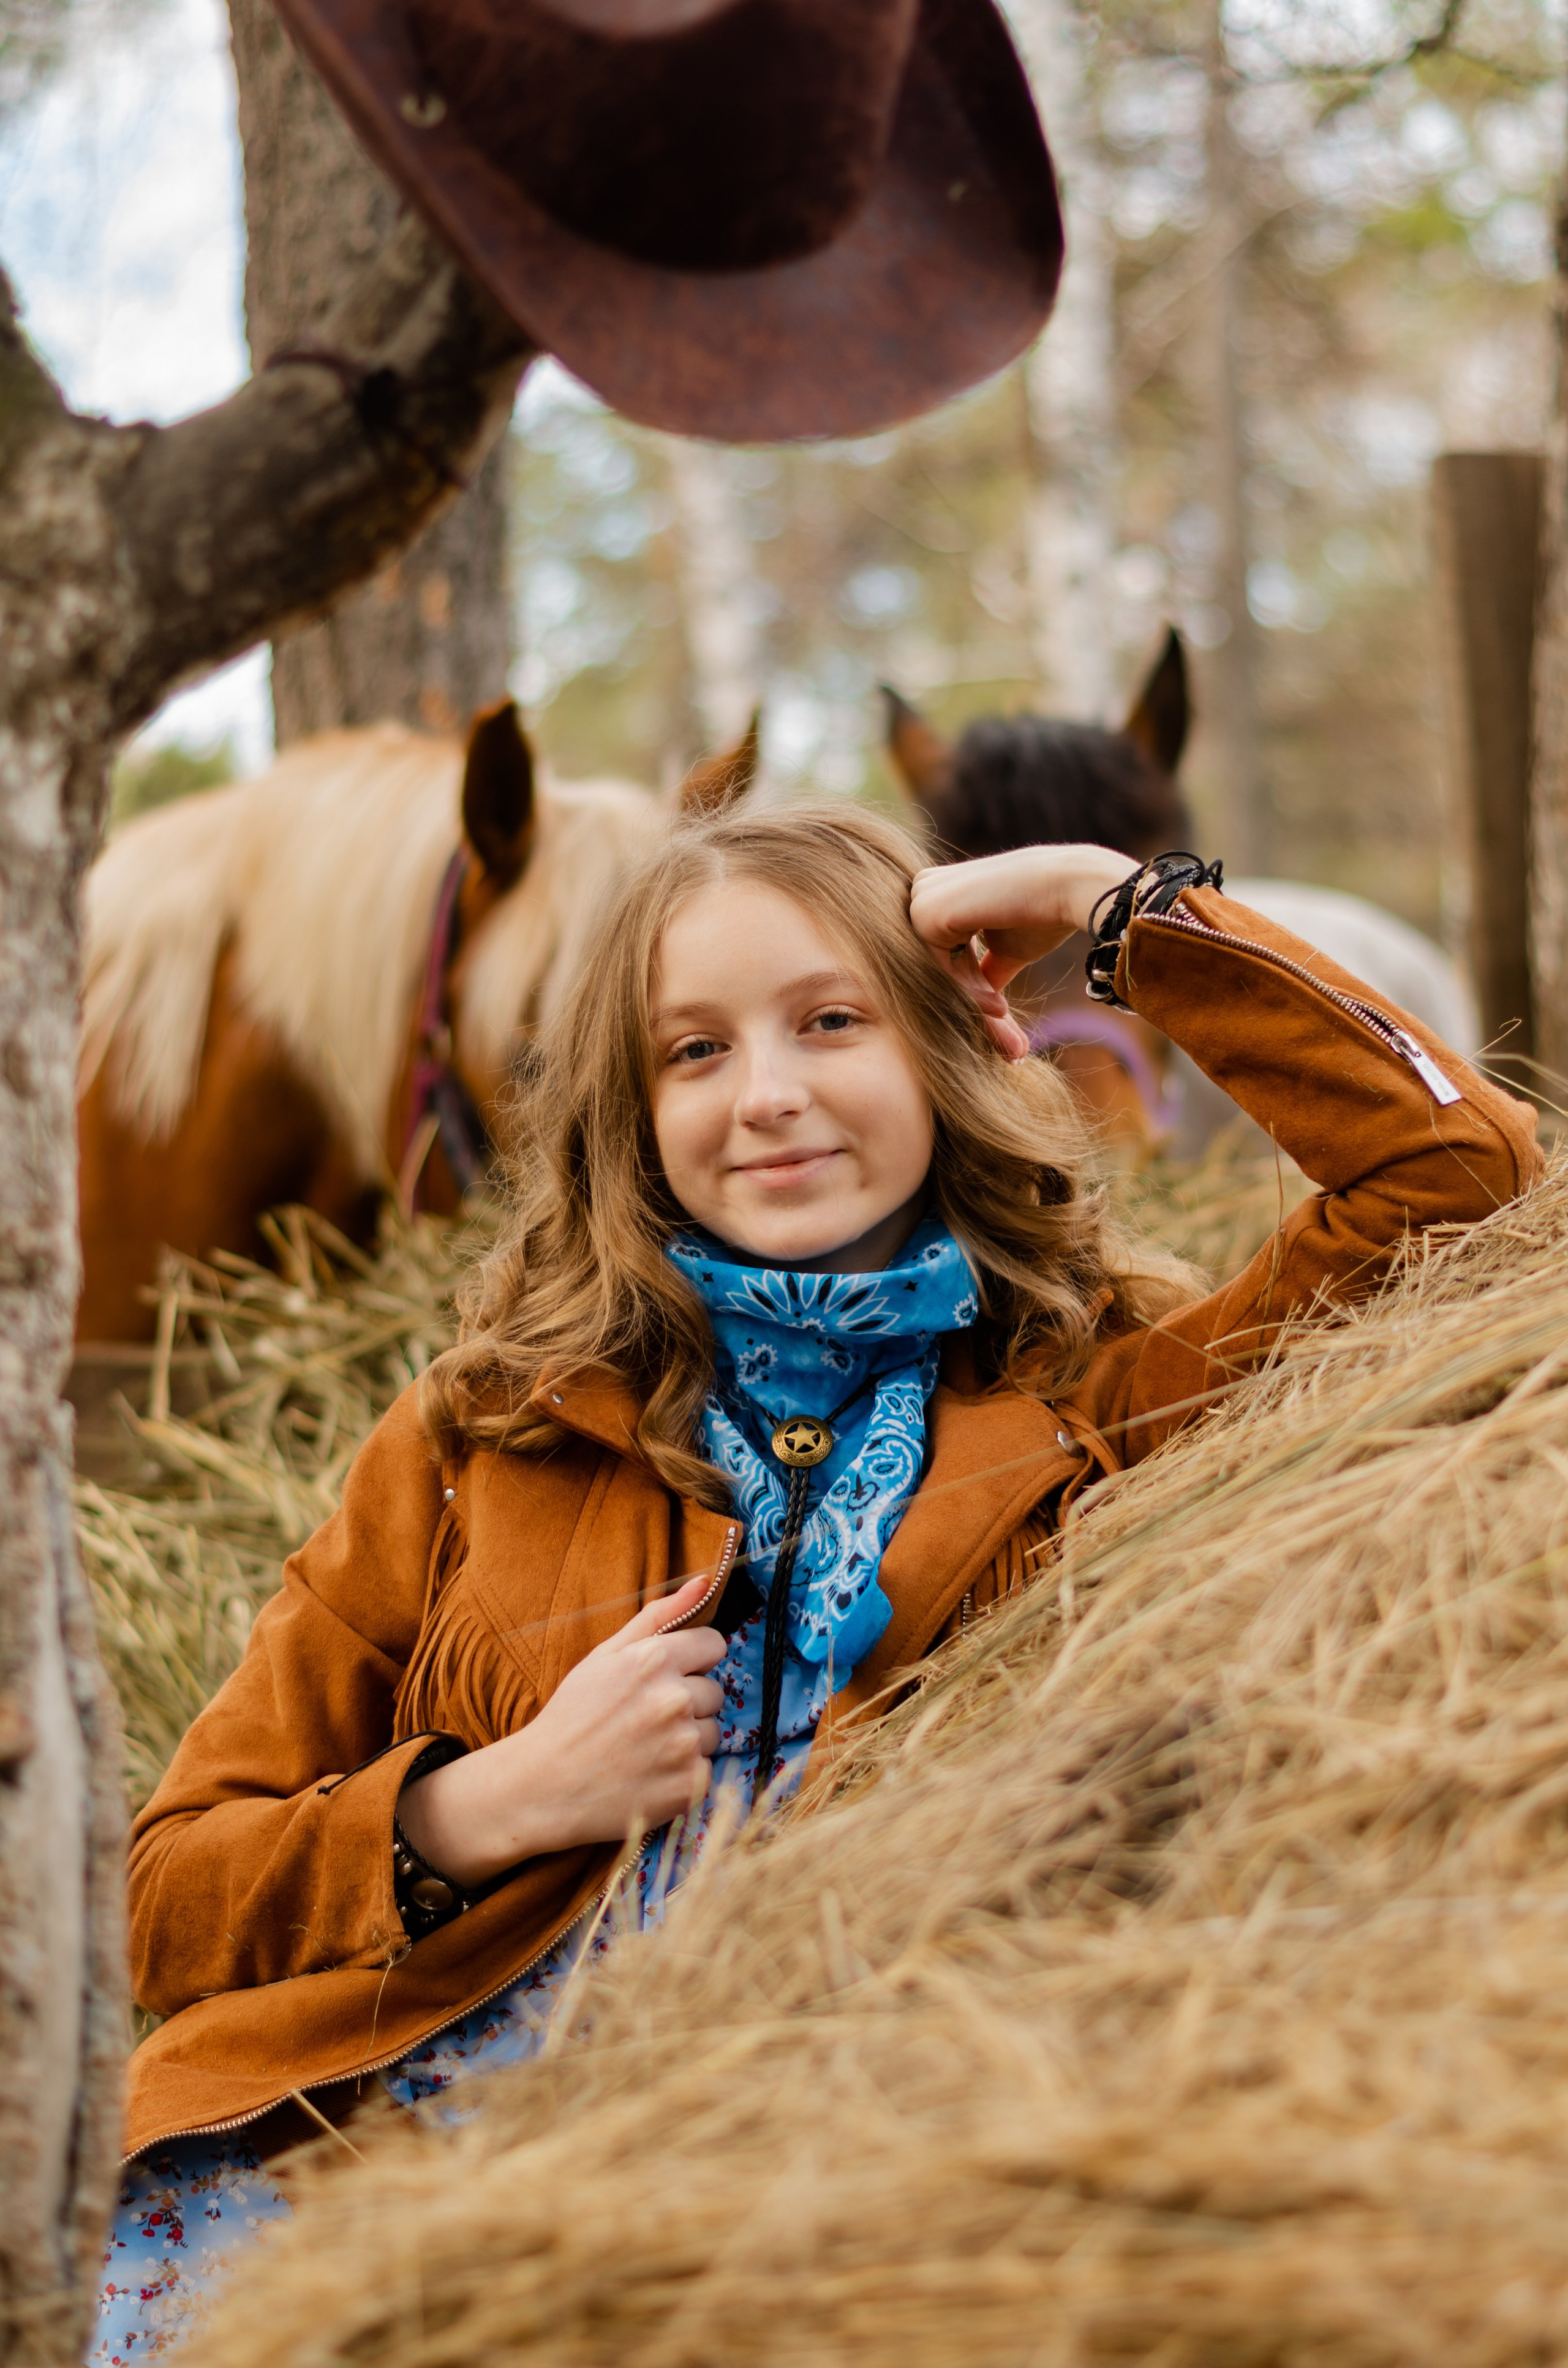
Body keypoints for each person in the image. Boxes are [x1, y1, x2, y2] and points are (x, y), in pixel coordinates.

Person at [98, 808, 1539, 2361]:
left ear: (945, 1047)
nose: (768, 1095)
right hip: (416, 2133)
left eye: (831, 1020)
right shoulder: (484, 1434)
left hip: (861, 2135)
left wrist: (1109, 905)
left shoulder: (1103, 1396)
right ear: (631, 1111)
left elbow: (1457, 1178)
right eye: (694, 1052)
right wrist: (490, 1802)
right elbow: (155, 1896)